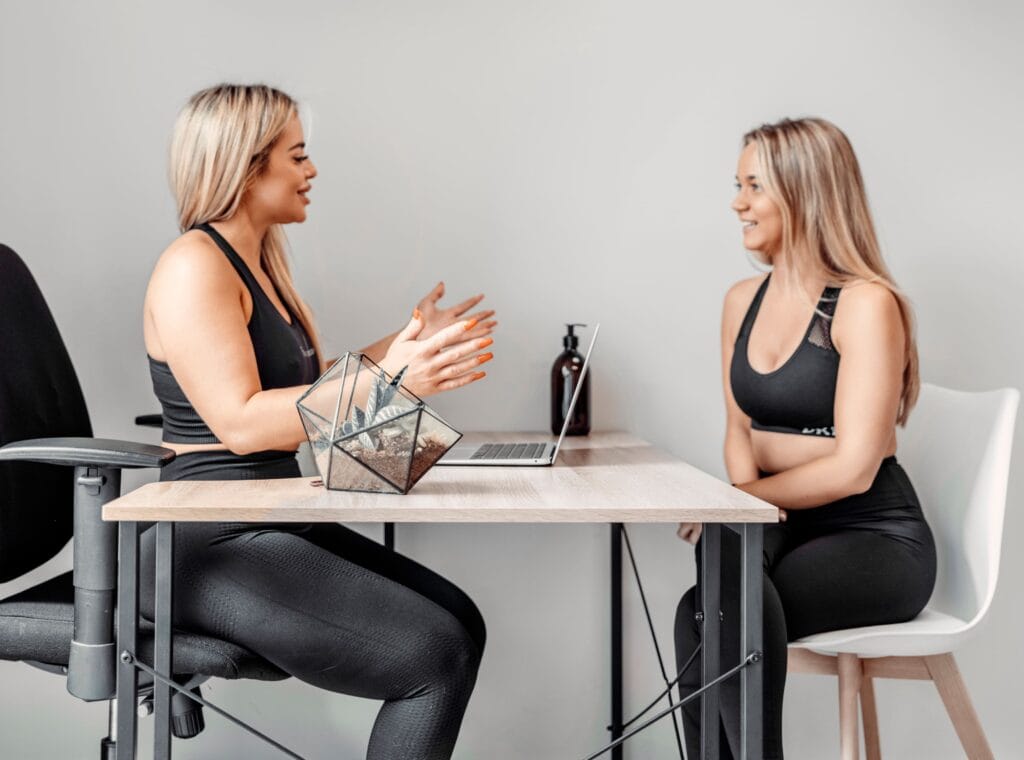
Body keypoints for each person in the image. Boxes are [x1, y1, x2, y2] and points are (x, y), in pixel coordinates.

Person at [141, 83, 496, 760]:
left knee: (462, 622)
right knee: (434, 655)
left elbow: (309, 391)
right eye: (297, 155)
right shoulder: (193, 265)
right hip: (207, 537)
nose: (313, 172)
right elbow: (243, 425)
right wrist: (392, 380)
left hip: (270, 513)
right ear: (247, 167)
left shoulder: (261, 265)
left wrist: (406, 342)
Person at [674, 117, 936, 759]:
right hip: (781, 520)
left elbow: (853, 467)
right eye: (737, 184)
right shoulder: (742, 300)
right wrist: (740, 505)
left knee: (717, 606)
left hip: (873, 537)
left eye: (754, 185)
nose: (737, 202)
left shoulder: (866, 303)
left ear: (804, 191)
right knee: (704, 600)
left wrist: (741, 504)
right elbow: (740, 428)